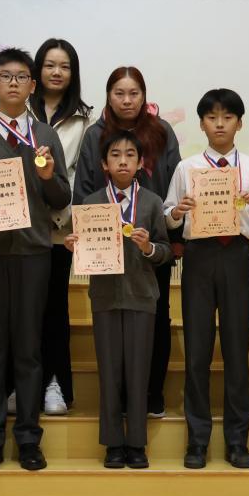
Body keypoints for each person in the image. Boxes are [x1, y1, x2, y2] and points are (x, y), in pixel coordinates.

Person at [0, 47, 72, 473]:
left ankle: (28, 438)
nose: (14, 83)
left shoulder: (45, 135)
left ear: (32, 85)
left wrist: (47, 177)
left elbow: (62, 196)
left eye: (22, 77)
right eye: (5, 76)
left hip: (34, 252)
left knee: (28, 348)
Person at [165, 88, 249, 470]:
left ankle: (237, 441)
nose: (219, 124)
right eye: (212, 117)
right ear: (201, 124)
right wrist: (177, 212)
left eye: (227, 117)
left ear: (239, 123)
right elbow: (168, 218)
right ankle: (197, 441)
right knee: (197, 351)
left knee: (236, 351)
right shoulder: (187, 168)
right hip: (198, 256)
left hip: (237, 257)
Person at [73, 67, 182, 418]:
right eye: (119, 93)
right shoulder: (95, 135)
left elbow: (176, 183)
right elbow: (84, 190)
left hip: (151, 242)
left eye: (134, 93)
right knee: (113, 324)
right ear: (109, 96)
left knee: (157, 316)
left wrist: (165, 234)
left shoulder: (162, 131)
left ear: (144, 96)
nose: (126, 100)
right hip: (105, 247)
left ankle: (151, 393)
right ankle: (118, 398)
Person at [66, 130, 170, 469]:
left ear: (140, 163)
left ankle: (136, 443)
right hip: (105, 296)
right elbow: (83, 248)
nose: (122, 161)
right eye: (115, 155)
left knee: (138, 372)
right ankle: (112, 443)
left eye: (129, 155)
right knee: (109, 371)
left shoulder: (152, 202)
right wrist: (73, 246)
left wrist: (149, 248)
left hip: (142, 296)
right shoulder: (91, 203)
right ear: (103, 164)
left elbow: (166, 251)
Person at [28, 38, 92, 416]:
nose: (56, 72)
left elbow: (80, 175)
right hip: (20, 229)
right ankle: (23, 385)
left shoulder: (84, 120)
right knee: (23, 311)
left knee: (54, 309)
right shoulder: (20, 111)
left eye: (64, 66)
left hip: (59, 229)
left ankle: (55, 384)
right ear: (38, 70)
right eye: (50, 65)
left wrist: (61, 214)